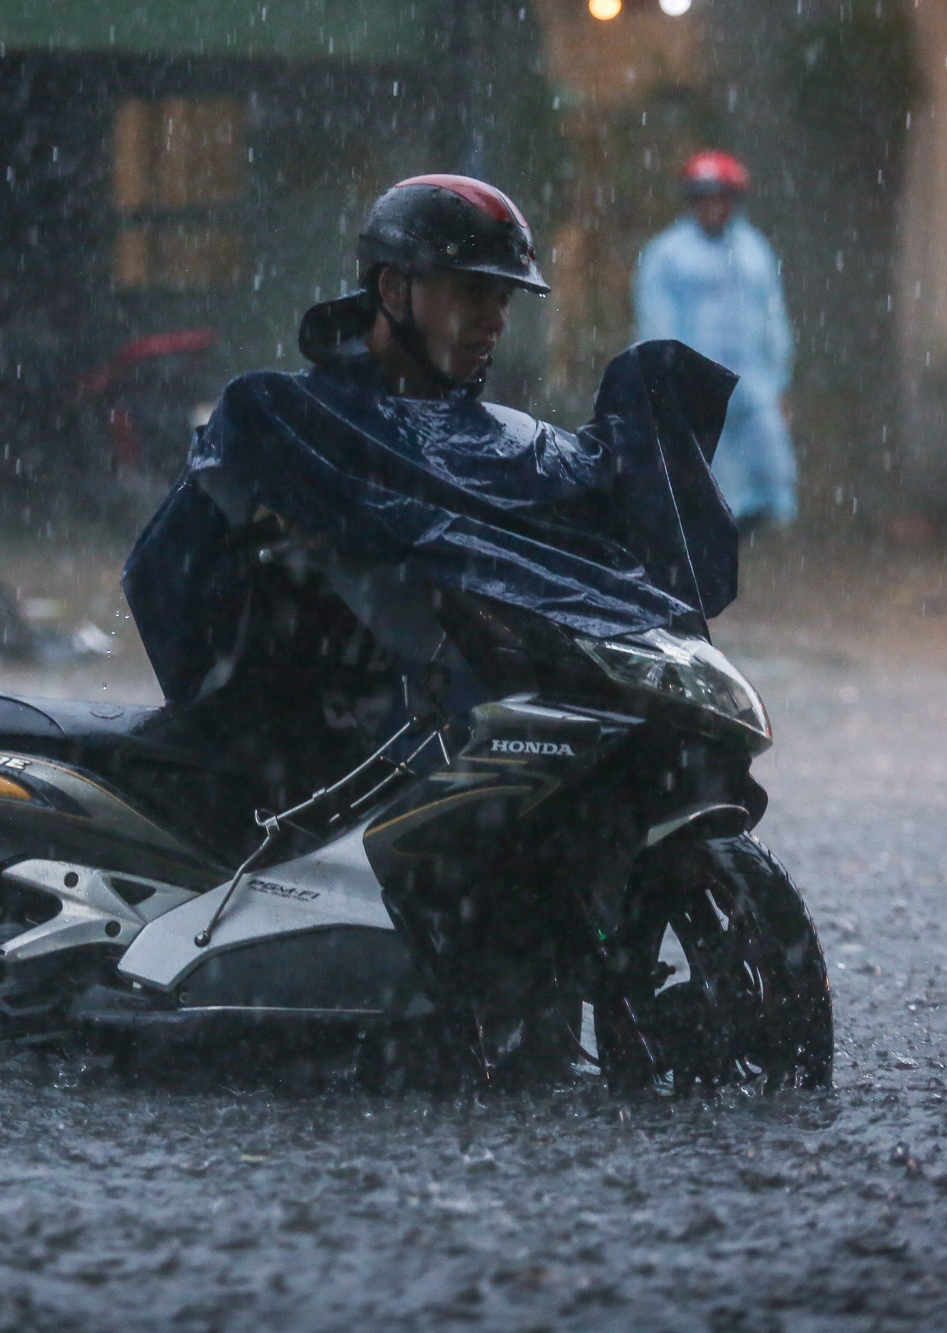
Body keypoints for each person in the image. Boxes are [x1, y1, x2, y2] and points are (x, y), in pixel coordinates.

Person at [121, 174, 739, 1074]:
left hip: (492, 756)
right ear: (393, 290)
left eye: (504, 298)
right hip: (320, 759)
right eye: (471, 291)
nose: (493, 318)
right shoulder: (287, 419)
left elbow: (610, 548)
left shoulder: (520, 445)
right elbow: (167, 581)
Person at [634, 150, 798, 532]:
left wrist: (780, 381)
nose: (712, 207)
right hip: (697, 385)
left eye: (720, 197)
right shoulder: (668, 255)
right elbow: (655, 322)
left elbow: (772, 317)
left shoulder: (754, 251)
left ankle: (768, 539)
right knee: (707, 473)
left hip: (753, 382)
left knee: (771, 465)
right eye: (703, 197)